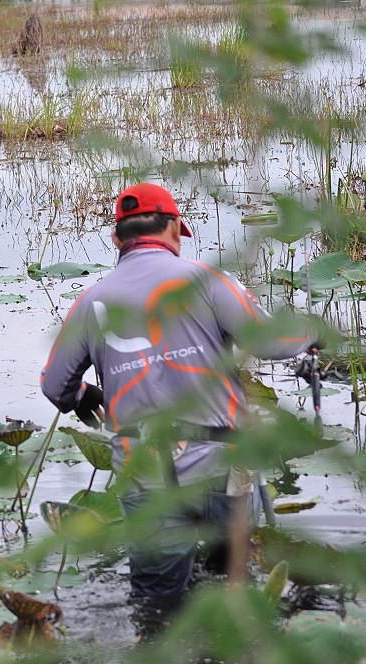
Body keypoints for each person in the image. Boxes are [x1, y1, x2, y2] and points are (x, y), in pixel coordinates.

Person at [41, 182, 323, 602]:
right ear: (174, 228)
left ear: (117, 239)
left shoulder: (91, 302)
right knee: (234, 595)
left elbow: (54, 385)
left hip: (144, 475)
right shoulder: (206, 281)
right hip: (219, 467)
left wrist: (83, 397)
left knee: (157, 605)